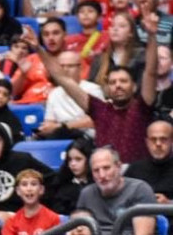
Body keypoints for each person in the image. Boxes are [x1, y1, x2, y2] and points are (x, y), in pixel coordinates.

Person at [37, 15, 158, 164]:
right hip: (104, 177)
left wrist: (152, 35)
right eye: (113, 82)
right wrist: (37, 48)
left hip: (136, 177)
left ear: (134, 87)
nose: (118, 85)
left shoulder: (142, 107)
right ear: (107, 87)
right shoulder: (99, 109)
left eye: (123, 81)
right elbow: (63, 79)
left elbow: (151, 72)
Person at [74, 147, 156, 235]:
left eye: (106, 168)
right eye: (96, 170)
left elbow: (142, 233)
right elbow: (79, 229)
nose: (102, 175)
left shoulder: (140, 189)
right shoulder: (86, 194)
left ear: (118, 166)